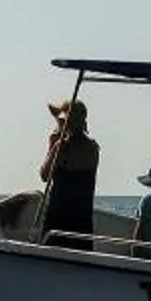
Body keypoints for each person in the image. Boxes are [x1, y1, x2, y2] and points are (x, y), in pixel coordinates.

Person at [40, 98, 100, 247]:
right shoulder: (92, 148)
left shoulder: (64, 148)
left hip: (61, 220)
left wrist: (54, 147)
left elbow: (44, 175)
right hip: (81, 221)